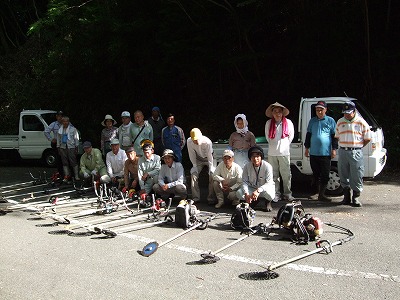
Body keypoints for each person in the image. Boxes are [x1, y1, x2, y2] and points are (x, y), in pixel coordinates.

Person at [335, 101, 371, 207]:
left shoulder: (361, 122)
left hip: (356, 151)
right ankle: (346, 197)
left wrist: (358, 146)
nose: (346, 115)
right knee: (343, 173)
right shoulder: (340, 121)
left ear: (354, 111)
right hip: (343, 151)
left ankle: (355, 197)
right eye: (345, 112)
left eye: (349, 112)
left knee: (357, 174)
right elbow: (337, 137)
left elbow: (368, 138)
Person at [304, 100, 338, 202]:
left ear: (325, 110)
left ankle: (322, 194)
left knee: (325, 174)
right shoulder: (312, 121)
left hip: (325, 153)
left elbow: (334, 136)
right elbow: (308, 135)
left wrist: (334, 149)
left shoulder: (330, 121)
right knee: (315, 174)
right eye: (317, 110)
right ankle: (316, 193)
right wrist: (306, 148)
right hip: (314, 153)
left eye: (321, 110)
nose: (319, 112)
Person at [265, 102, 295, 201]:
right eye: (275, 111)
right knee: (274, 176)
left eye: (279, 112)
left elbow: (291, 137)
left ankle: (287, 194)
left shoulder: (288, 122)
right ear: (272, 113)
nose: (277, 114)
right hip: (272, 153)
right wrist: (275, 145)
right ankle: (276, 193)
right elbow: (267, 137)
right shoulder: (269, 123)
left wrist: (283, 146)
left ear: (282, 113)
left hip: (284, 153)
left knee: (286, 175)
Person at [236, 146, 275, 211]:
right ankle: (253, 200)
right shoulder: (247, 166)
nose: (255, 159)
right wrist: (246, 193)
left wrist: (258, 191)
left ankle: (268, 202)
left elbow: (269, 182)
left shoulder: (267, 166)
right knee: (239, 193)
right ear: (250, 158)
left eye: (257, 156)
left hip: (263, 189)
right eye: (253, 156)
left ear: (261, 157)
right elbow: (244, 181)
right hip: (252, 188)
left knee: (270, 195)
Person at [187, 128, 215, 204]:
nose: (196, 141)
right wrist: (194, 165)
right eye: (194, 140)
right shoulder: (189, 141)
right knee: (193, 175)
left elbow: (210, 156)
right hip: (198, 159)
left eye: (197, 139)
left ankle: (211, 198)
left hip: (209, 158)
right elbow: (191, 154)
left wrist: (211, 167)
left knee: (212, 175)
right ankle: (196, 198)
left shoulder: (207, 142)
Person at [56, 116, 80, 183]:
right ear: (62, 122)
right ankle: (66, 176)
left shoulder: (73, 129)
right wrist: (58, 147)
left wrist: (76, 147)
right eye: (64, 121)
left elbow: (76, 138)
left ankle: (76, 176)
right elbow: (58, 139)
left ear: (68, 122)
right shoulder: (60, 130)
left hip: (71, 147)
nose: (65, 122)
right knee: (64, 162)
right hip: (63, 147)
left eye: (67, 121)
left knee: (73, 161)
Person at [44, 110, 65, 178]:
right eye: (59, 116)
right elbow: (46, 131)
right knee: (59, 159)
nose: (60, 118)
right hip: (57, 143)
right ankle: (61, 174)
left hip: (65, 143)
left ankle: (68, 174)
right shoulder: (54, 124)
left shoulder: (66, 123)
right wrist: (51, 139)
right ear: (56, 117)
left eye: (61, 116)